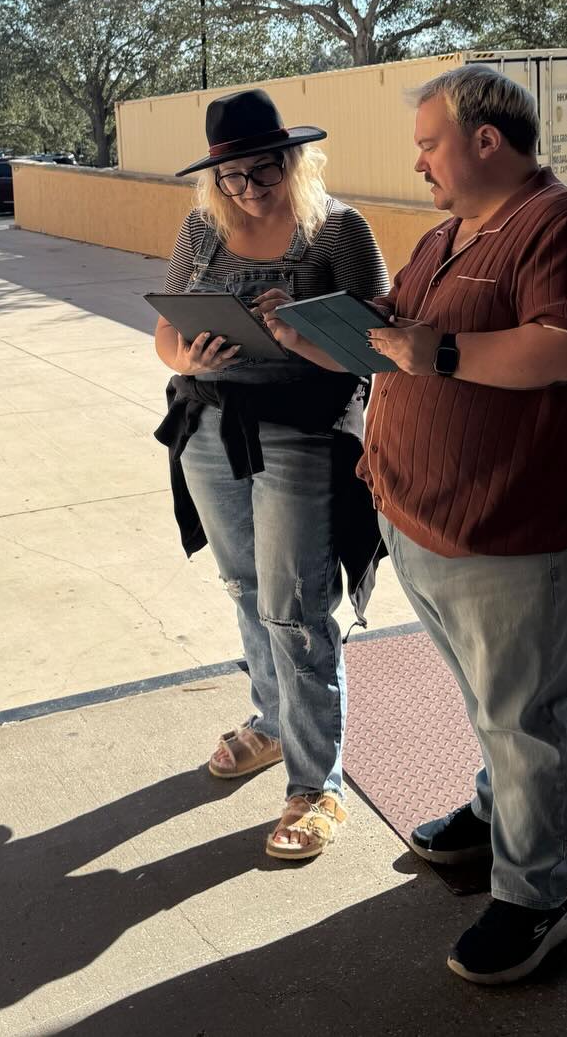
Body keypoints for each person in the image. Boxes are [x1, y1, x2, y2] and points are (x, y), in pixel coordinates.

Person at [360, 65, 567, 985]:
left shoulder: (563, 226)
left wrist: (436, 348)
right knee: (494, 704)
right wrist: (337, 325)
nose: (420, 163)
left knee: (528, 718)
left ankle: (537, 896)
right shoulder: (444, 236)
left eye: (429, 144)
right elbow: (405, 326)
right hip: (425, 522)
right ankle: (495, 815)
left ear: (486, 139)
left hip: (521, 533)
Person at [153, 89, 388, 861]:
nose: (248, 188)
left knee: (296, 607)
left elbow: (381, 343)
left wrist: (301, 332)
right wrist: (187, 356)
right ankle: (273, 719)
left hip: (301, 431)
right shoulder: (202, 228)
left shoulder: (338, 230)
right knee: (245, 586)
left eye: (264, 170)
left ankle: (318, 785)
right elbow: (166, 332)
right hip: (208, 425)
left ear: (294, 159)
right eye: (232, 176)